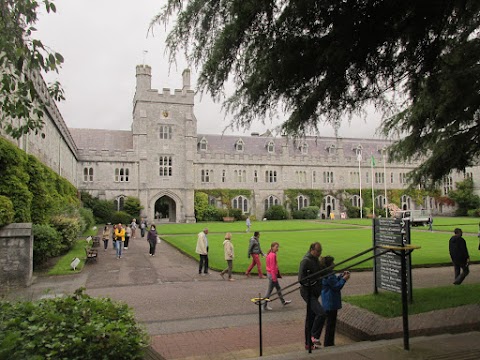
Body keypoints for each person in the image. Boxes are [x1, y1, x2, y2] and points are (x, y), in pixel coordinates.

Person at [298, 242, 326, 350]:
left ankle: (308, 343)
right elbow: (301, 279)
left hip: (314, 292)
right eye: (318, 251)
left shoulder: (315, 260)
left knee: (310, 317)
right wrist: (313, 283)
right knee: (321, 313)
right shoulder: (306, 261)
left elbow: (320, 273)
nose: (319, 253)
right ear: (312, 249)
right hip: (308, 293)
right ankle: (314, 336)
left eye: (320, 251)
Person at [321, 256, 350, 347]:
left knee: (330, 323)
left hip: (327, 301)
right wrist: (344, 279)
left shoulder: (327, 274)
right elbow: (336, 286)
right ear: (329, 265)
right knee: (331, 324)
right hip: (331, 302)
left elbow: (333, 282)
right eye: (332, 263)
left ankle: (329, 342)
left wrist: (341, 276)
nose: (334, 264)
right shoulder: (329, 275)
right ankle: (329, 343)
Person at [263, 242, 291, 311]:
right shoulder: (272, 255)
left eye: (277, 247)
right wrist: (274, 278)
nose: (277, 248)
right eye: (276, 247)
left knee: (278, 288)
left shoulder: (271, 254)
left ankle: (283, 301)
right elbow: (272, 267)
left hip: (271, 274)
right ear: (272, 247)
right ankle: (264, 305)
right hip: (272, 275)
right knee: (269, 291)